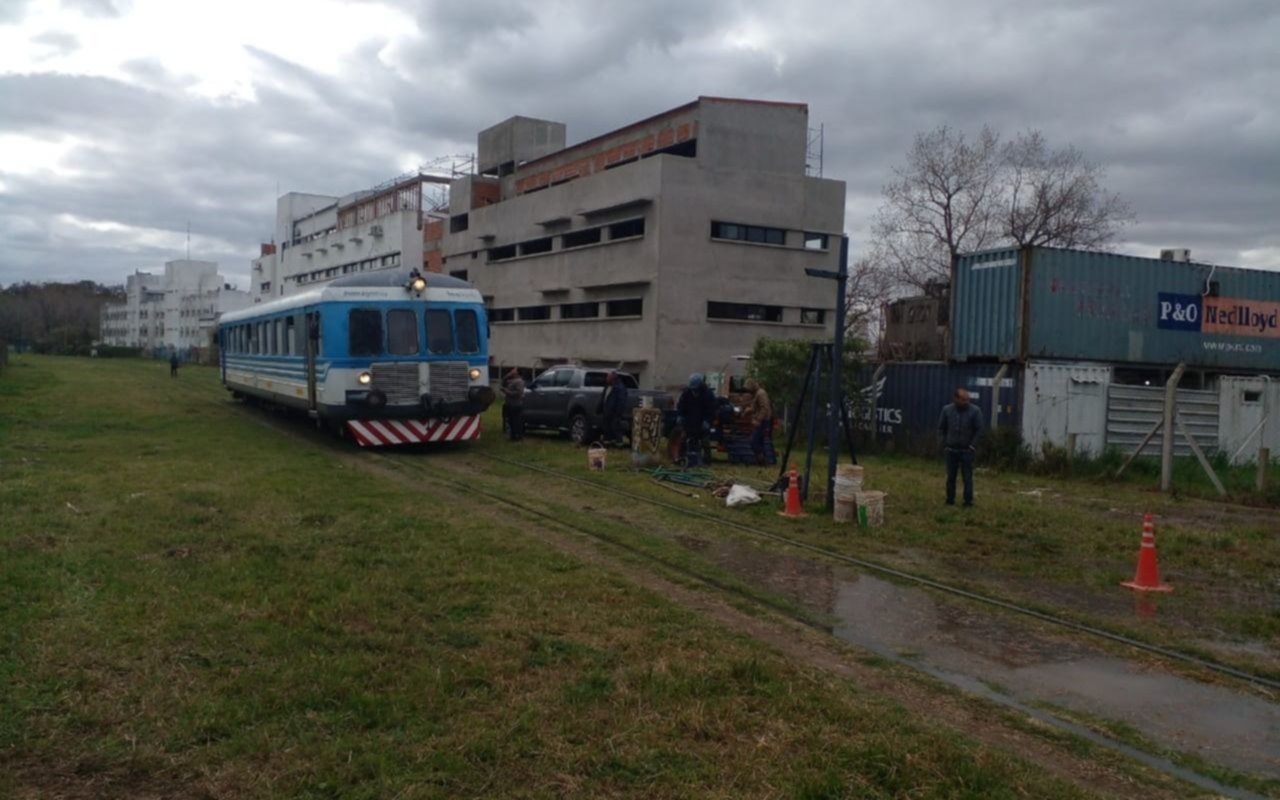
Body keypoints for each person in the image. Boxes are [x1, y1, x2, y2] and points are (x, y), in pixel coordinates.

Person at [937, 387, 984, 506]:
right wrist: (943, 444)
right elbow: (941, 428)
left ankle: (968, 501)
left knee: (967, 477)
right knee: (951, 477)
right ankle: (950, 499)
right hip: (951, 450)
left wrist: (973, 446)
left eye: (967, 399)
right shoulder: (947, 410)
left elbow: (979, 430)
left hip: (966, 450)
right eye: (963, 399)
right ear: (955, 398)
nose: (966, 402)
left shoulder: (975, 411)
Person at [676, 373, 717, 467]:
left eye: (696, 388)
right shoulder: (686, 393)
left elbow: (712, 409)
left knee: (705, 441)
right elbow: (681, 405)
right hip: (690, 421)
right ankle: (680, 457)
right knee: (683, 439)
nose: (694, 390)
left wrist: (707, 421)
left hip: (702, 422)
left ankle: (707, 461)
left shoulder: (708, 394)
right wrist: (680, 415)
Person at [745, 378, 773, 466]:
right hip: (762, 420)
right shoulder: (758, 393)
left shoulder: (761, 394)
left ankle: (761, 459)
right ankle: (763, 460)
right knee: (760, 441)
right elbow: (756, 407)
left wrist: (758, 420)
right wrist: (749, 410)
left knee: (754, 441)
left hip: (762, 421)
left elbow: (764, 408)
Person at [601, 371, 629, 446]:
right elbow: (604, 398)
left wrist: (618, 412)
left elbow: (621, 401)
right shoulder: (607, 386)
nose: (606, 379)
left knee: (616, 428)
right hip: (607, 412)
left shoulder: (620, 388)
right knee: (607, 428)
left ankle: (619, 443)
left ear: (612, 378)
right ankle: (607, 442)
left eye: (608, 377)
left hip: (615, 413)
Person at [502, 368, 525, 441]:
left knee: (516, 421)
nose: (512, 371)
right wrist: (507, 375)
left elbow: (518, 393)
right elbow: (503, 381)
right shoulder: (512, 380)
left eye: (514, 370)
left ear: (517, 373)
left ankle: (518, 436)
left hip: (515, 404)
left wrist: (507, 392)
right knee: (511, 421)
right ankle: (513, 436)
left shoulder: (519, 381)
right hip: (509, 403)